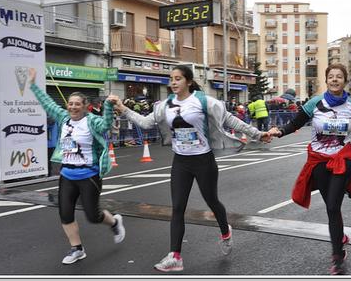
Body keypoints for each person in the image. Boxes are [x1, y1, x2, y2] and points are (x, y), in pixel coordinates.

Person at [108, 65, 272, 272]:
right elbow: (146, 123)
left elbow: (230, 119)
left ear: (188, 81)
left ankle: (225, 231)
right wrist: (123, 108)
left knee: (212, 201)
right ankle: (175, 256)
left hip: (203, 161)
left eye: (177, 79)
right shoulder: (164, 105)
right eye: (171, 79)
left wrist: (258, 134)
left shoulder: (204, 102)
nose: (173, 83)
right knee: (177, 208)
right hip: (181, 162)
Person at [268, 63, 351, 275]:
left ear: (345, 81)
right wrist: (279, 131)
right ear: (326, 80)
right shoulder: (314, 103)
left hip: (342, 159)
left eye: (339, 76)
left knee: (331, 207)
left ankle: (338, 258)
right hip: (319, 161)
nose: (335, 79)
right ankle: (340, 238)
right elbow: (295, 123)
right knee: (332, 209)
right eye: (331, 76)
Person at [28, 68, 126, 265]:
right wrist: (32, 85)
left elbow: (106, 125)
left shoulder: (92, 122)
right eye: (70, 104)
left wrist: (108, 106)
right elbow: (47, 103)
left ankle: (114, 222)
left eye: (77, 104)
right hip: (67, 175)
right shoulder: (63, 117)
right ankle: (77, 249)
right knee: (65, 213)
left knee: (93, 215)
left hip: (88, 174)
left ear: (85, 106)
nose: (73, 107)